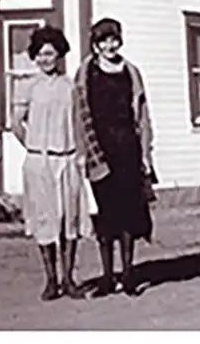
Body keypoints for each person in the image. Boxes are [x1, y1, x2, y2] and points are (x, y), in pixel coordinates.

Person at [73, 17, 157, 297]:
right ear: (95, 45)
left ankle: (129, 275)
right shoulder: (86, 73)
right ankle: (108, 277)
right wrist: (84, 153)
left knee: (129, 216)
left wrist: (145, 152)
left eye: (114, 40)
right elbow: (79, 116)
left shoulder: (131, 72)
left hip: (128, 151)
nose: (110, 45)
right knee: (106, 217)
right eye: (104, 41)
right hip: (101, 151)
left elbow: (142, 115)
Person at [11, 25, 95, 301]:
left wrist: (77, 153)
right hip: (39, 162)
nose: (47, 59)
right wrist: (35, 147)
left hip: (67, 159)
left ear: (60, 55)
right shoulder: (28, 86)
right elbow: (16, 125)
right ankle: (50, 280)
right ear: (35, 56)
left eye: (52, 53)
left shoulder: (71, 86)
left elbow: (80, 123)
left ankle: (69, 279)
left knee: (69, 220)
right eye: (42, 54)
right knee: (46, 221)